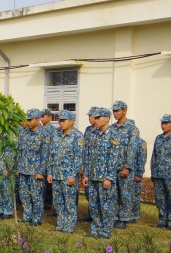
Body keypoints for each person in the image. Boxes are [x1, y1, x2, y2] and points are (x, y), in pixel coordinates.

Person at [82, 108, 121, 239]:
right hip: (93, 176)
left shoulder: (113, 135)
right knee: (93, 205)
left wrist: (109, 177)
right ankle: (96, 229)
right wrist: (86, 174)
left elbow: (114, 159)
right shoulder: (94, 134)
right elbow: (88, 156)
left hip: (104, 177)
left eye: (99, 118)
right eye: (95, 117)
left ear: (107, 119)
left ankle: (105, 231)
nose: (95, 120)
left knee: (106, 206)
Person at [47, 110, 83, 232]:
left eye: (63, 120)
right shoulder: (56, 134)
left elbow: (78, 157)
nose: (60, 123)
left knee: (69, 202)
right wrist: (50, 172)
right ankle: (60, 224)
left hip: (68, 175)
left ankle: (69, 226)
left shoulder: (77, 136)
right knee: (58, 202)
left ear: (72, 121)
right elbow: (51, 154)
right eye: (59, 120)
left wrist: (73, 175)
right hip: (56, 174)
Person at [111, 101, 140, 228]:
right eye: (114, 111)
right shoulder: (111, 128)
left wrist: (127, 167)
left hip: (124, 167)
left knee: (125, 193)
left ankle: (124, 218)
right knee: (113, 193)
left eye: (117, 111)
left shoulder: (132, 129)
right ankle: (115, 216)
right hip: (112, 167)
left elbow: (132, 149)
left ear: (125, 111)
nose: (115, 113)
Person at [150, 114, 171, 230]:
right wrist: (152, 172)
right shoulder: (158, 138)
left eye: (166, 123)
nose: (163, 126)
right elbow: (154, 156)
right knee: (160, 198)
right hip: (158, 173)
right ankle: (162, 219)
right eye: (162, 123)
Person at [18, 109, 48, 225]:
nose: (28, 122)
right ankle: (27, 216)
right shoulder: (24, 133)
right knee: (24, 195)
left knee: (36, 196)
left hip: (36, 171)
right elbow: (20, 152)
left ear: (38, 119)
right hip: (24, 169)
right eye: (27, 120)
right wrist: (18, 168)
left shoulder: (44, 134)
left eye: (30, 120)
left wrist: (41, 172)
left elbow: (45, 155)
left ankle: (37, 218)